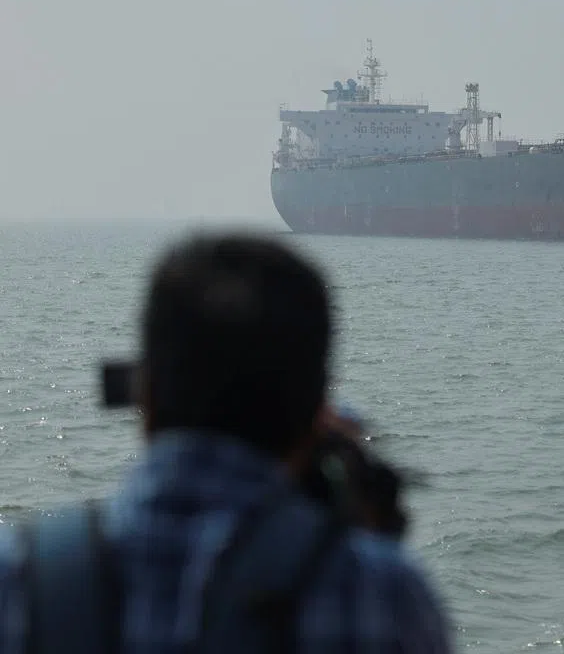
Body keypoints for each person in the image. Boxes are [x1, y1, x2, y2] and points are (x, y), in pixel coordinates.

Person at [0, 232, 452, 653]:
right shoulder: (385, 597)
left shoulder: (17, 580)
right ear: (316, 412)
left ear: (148, 397)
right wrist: (366, 528)